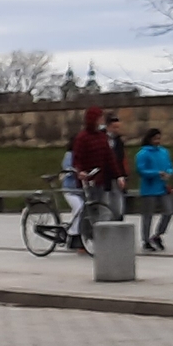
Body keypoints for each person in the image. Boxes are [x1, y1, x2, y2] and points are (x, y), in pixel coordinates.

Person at [69, 107, 121, 253]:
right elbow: (77, 159)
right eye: (99, 118)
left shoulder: (102, 137)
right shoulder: (82, 137)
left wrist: (118, 175)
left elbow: (109, 158)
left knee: (100, 208)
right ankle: (82, 239)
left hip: (99, 178)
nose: (101, 121)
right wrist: (80, 172)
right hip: (86, 179)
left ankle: (97, 237)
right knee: (88, 209)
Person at [133, 127, 173, 251]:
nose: (157, 141)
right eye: (155, 138)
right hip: (149, 188)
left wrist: (169, 172)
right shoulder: (143, 154)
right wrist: (156, 173)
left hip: (162, 186)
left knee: (168, 211)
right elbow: (141, 170)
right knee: (147, 215)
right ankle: (145, 239)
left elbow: (170, 166)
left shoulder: (164, 152)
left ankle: (158, 234)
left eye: (159, 138)